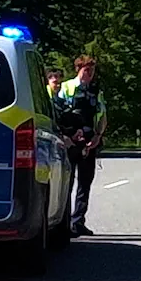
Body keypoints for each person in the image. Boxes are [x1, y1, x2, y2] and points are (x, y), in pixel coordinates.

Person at [46, 51, 104, 233]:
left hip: (90, 141)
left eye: (92, 71)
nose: (90, 74)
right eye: (87, 70)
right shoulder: (67, 87)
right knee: (67, 183)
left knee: (85, 183)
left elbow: (102, 115)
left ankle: (78, 221)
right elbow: (58, 114)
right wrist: (68, 137)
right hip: (70, 142)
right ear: (78, 69)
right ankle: (63, 224)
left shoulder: (96, 91)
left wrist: (97, 136)